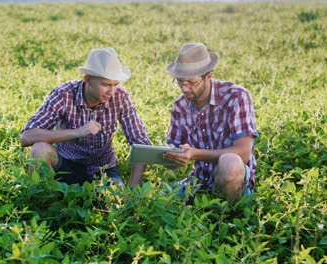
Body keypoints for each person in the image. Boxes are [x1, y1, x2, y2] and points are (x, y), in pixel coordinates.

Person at [132, 43, 258, 201]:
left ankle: (229, 215)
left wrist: (195, 154)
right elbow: (174, 154)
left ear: (209, 76)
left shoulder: (236, 97)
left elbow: (244, 153)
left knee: (229, 162)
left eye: (191, 82)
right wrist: (173, 155)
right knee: (155, 202)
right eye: (180, 82)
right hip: (198, 182)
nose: (184, 89)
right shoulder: (180, 105)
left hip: (236, 183)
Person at [20, 48, 151, 187]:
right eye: (105, 84)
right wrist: (77, 132)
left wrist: (131, 194)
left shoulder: (120, 96)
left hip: (104, 170)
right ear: (87, 79)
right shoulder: (64, 94)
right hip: (66, 166)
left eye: (115, 85)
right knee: (40, 150)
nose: (111, 91)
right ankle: (48, 204)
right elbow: (26, 137)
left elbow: (142, 145)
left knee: (115, 202)